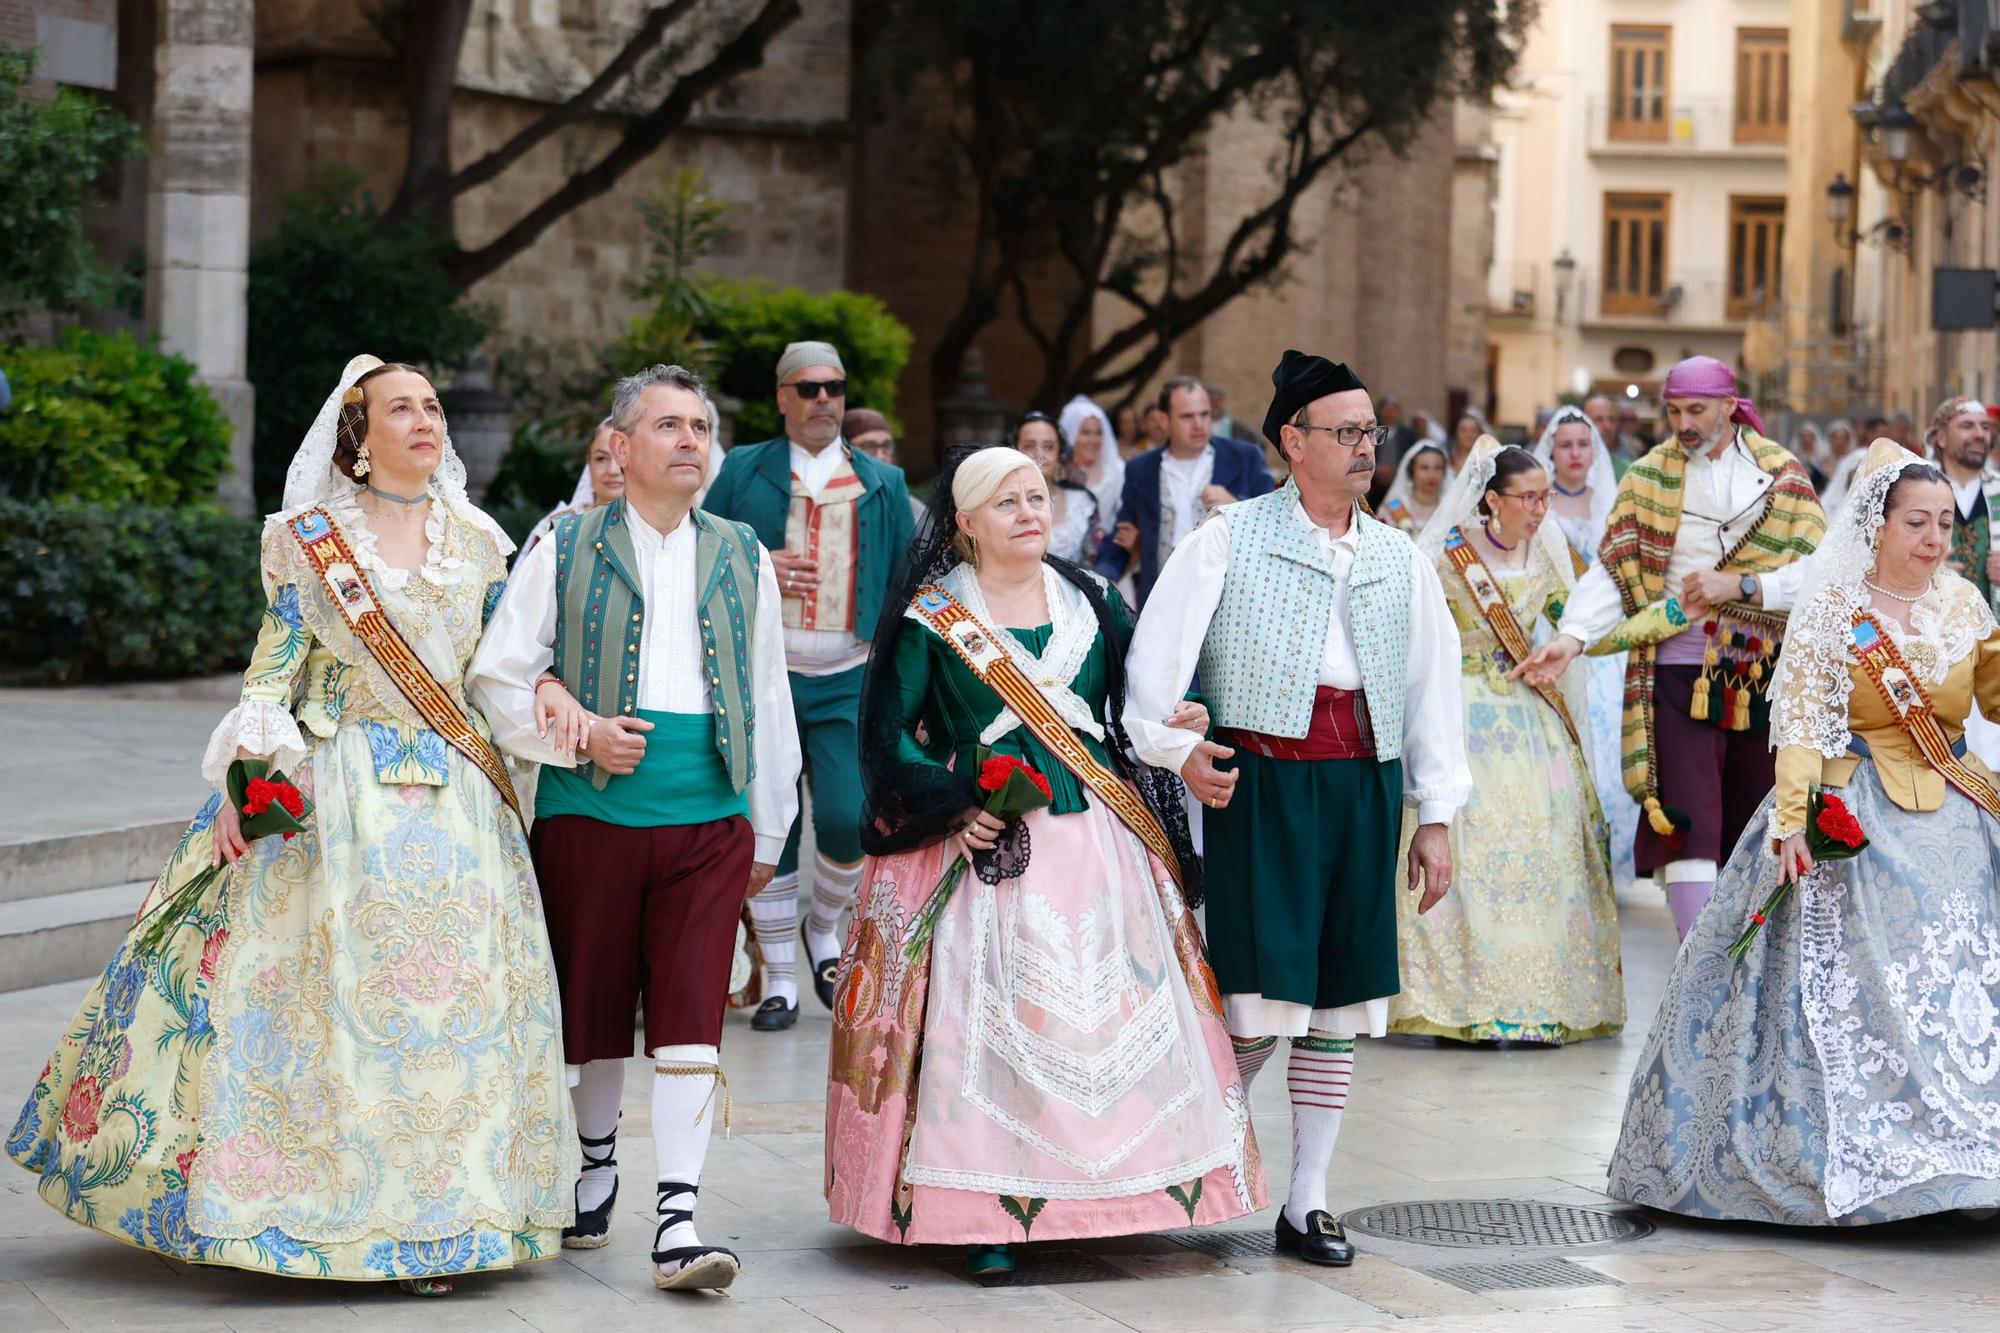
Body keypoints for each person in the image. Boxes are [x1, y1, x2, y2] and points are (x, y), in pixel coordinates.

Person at [8, 356, 574, 1292]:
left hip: (459, 812)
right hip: (337, 795)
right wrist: (244, 775)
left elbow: (495, 671)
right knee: (325, 1008)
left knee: (453, 1016)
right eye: (404, 407)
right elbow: (273, 671)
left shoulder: (479, 542)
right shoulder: (308, 540)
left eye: (433, 406)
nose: (427, 420)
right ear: (359, 433)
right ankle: (312, 1217)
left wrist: (548, 699)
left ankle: (448, 1219)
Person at [825, 446, 1265, 1281]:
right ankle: (984, 1208)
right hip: (987, 843)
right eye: (1005, 502)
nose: (1030, 512)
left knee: (1107, 1018)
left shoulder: (1094, 599)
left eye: (1036, 497)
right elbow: (884, 741)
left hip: (1100, 839)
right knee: (990, 1023)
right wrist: (953, 812)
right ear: (964, 523)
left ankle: (1127, 1192)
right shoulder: (932, 616)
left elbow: (1146, 700)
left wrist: (1187, 730)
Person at [1122, 350, 1470, 1266]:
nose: (1366, 449)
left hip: (1364, 783)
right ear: (1292, 440)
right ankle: (1195, 1164)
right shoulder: (1229, 539)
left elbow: (1435, 688)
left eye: (1370, 432)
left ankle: (1307, 1198)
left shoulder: (1400, 556)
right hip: (1260, 786)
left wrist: (1434, 813)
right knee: (1254, 992)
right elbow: (1152, 671)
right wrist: (1179, 748)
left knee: (1337, 997)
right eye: (1347, 432)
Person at [1608, 441, 2000, 1224]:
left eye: (1945, 524)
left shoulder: (1963, 604)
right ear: (1877, 525)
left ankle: (1970, 1149)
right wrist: (1794, 822)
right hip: (1852, 816)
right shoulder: (1833, 606)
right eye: (1917, 522)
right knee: (1865, 988)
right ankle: (1869, 1157)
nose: (1934, 540)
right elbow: (1803, 725)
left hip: (1955, 818)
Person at [469, 364, 799, 1291]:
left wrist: (770, 828)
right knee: (593, 1010)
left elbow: (768, 695)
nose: (689, 439)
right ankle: (597, 1160)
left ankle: (679, 1218)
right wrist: (574, 738)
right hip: (590, 813)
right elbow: (499, 670)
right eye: (668, 425)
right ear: (619, 445)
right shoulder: (563, 544)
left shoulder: (741, 550)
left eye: (700, 425)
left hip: (709, 816)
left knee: (693, 1013)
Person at [1516, 356, 1825, 941]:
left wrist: (1745, 586)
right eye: (1674, 410)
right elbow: (1614, 570)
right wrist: (1571, 638)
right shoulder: (1649, 476)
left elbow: (1821, 571)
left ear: (1731, 408)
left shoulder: (1784, 476)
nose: (1683, 422)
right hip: (1679, 671)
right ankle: (1697, 973)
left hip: (1766, 673)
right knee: (1688, 821)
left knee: (1759, 819)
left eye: (1696, 410)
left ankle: (1753, 961)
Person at [704, 340, 918, 1031]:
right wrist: (758, 559)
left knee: (846, 815)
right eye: (809, 388)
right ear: (782, 398)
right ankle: (783, 981)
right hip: (763, 675)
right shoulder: (743, 468)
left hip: (847, 674)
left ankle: (822, 928)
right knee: (771, 819)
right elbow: (697, 545)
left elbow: (906, 585)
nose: (824, 398)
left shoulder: (883, 481)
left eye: (834, 387)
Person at [1391, 439, 1623, 1045]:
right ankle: (1456, 1001)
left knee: (1548, 846)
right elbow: (1413, 638)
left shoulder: (1548, 554)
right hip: (1463, 716)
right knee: (1466, 848)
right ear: (1492, 500)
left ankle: (1538, 998)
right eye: (1529, 497)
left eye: (1546, 497)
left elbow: (1577, 623)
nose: (1542, 509)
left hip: (1530, 720)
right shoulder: (1444, 557)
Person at [1535, 405, 1639, 881]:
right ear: (1551, 450)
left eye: (1583, 444)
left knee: (1606, 742)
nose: (1575, 453)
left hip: (1602, 641)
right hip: (1547, 631)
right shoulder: (1537, 501)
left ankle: (1604, 859)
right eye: (1566, 444)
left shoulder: (1613, 501)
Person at [1094, 376, 1274, 607]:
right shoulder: (1140, 470)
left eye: (1205, 414)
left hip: (1229, 602)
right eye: (1188, 416)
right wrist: (1103, 578)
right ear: (1164, 420)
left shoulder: (1244, 458)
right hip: (1162, 601)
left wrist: (1237, 506)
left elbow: (1276, 520)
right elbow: (1121, 536)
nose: (1199, 424)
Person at [514, 417, 626, 570]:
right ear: (589, 463)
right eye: (601, 458)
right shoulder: (559, 526)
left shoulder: (658, 528)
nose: (613, 470)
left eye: (623, 456)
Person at [1014, 410, 1101, 562]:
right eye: (1030, 446)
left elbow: (1094, 559)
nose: (1039, 453)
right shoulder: (1000, 501)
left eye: (1048, 447)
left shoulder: (1083, 502)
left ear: (1060, 453)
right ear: (1015, 450)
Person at [845, 406, 926, 526]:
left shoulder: (912, 508)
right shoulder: (828, 503)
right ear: (845, 450)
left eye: (886, 446)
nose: (880, 456)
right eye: (868, 446)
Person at [1059, 393, 1126, 530]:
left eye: (1098, 433)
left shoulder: (1117, 472)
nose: (1093, 440)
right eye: (1086, 433)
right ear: (1072, 436)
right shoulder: (1058, 471)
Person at [1379, 442, 1450, 535]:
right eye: (1424, 468)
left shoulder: (1451, 510)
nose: (1431, 475)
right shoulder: (1392, 509)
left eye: (1437, 468)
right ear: (1412, 471)